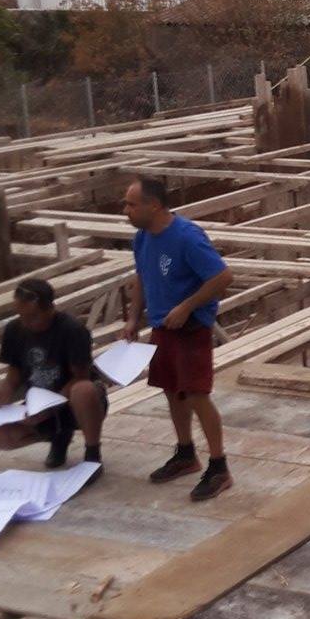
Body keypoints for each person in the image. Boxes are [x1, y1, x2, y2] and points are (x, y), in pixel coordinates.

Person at [122, 174, 234, 501]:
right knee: (172, 391)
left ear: (154, 205)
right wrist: (133, 318)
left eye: (132, 205)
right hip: (162, 325)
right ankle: (186, 452)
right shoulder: (142, 238)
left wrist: (187, 306)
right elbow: (142, 277)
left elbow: (222, 276)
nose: (126, 211)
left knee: (197, 394)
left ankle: (219, 466)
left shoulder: (186, 237)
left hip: (190, 327)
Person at [0, 277, 105, 477]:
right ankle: (58, 437)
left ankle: (92, 453)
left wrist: (50, 407)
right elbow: (14, 372)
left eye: (33, 317)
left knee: (84, 390)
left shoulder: (73, 330)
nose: (26, 322)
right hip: (37, 404)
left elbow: (80, 377)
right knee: (0, 436)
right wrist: (4, 391)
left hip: (72, 402)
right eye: (21, 316)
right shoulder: (14, 330)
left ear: (50, 309)